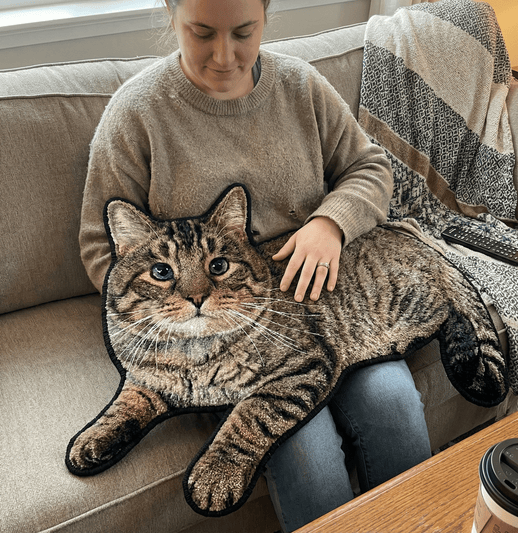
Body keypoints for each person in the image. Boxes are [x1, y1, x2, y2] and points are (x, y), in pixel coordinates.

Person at [78, 0, 432, 530]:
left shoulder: (301, 87)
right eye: (202, 33)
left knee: (394, 407)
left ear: (267, 14)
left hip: (330, 308)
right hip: (226, 340)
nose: (225, 56)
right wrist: (175, 331)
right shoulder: (136, 113)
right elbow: (100, 246)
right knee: (309, 458)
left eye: (244, 32)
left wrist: (330, 223)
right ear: (171, 13)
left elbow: (370, 167)